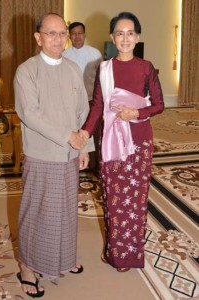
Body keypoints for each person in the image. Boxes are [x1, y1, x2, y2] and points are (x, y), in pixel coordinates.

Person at [14, 13, 94, 298]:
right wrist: (68, 137)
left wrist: (84, 146)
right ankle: (26, 267)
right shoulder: (27, 71)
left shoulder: (72, 69)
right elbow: (31, 115)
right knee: (36, 212)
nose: (59, 39)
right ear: (38, 37)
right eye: (51, 33)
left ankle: (63, 258)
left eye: (63, 33)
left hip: (70, 154)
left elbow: (82, 111)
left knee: (65, 210)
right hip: (41, 155)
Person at [80, 12, 164, 272]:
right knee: (114, 197)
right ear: (112, 38)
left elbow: (159, 104)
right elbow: (97, 106)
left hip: (139, 142)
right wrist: (85, 133)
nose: (125, 38)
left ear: (137, 37)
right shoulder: (104, 69)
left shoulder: (146, 67)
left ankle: (131, 254)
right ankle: (115, 252)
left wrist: (137, 113)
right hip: (112, 142)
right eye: (120, 33)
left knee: (136, 199)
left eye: (130, 33)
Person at [63, 22, 103, 174]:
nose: (77, 36)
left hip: (92, 99)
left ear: (85, 35)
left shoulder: (95, 54)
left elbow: (101, 79)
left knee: (94, 132)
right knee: (75, 131)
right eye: (74, 33)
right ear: (69, 36)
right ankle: (74, 163)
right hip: (72, 102)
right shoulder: (64, 54)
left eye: (80, 33)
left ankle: (96, 167)